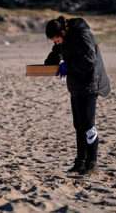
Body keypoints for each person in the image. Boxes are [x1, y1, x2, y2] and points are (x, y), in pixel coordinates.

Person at [45, 16, 111, 175]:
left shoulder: (82, 34)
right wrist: (54, 62)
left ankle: (92, 163)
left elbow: (89, 60)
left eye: (55, 38)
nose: (55, 42)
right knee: (78, 125)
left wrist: (68, 66)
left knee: (88, 124)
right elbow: (56, 53)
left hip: (90, 84)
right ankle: (80, 162)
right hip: (75, 85)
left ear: (62, 32)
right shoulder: (64, 38)